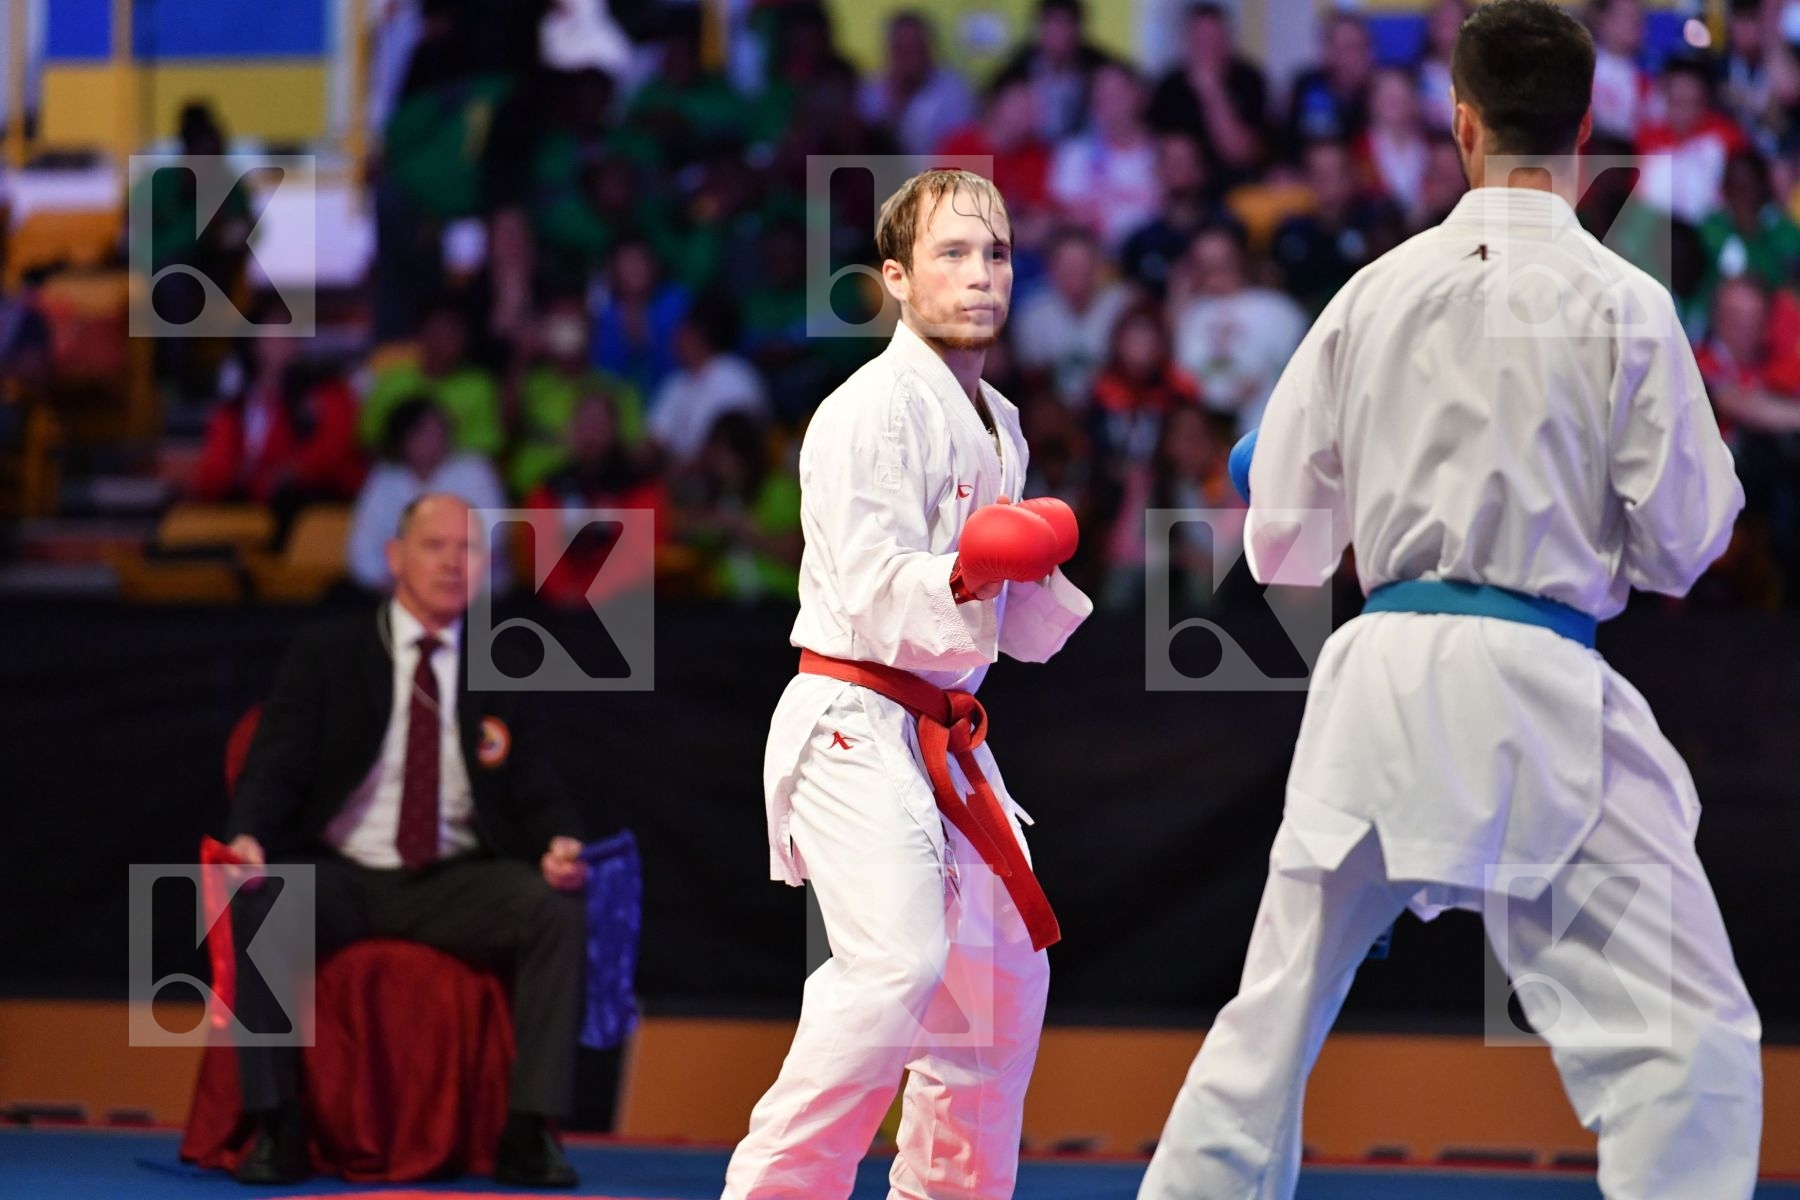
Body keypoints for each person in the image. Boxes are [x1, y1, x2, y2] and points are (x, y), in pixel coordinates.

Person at [1140, 4, 1763, 1196]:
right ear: (1586, 125)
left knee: (1264, 1035)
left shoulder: (1369, 295)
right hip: (1537, 686)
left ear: (1461, 122)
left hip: (1375, 688)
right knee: (1690, 1044)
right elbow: (1689, 547)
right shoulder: (1624, 303)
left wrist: (1277, 468)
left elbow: (1277, 548)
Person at [723, 168, 1092, 1199]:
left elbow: (1016, 637)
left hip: (942, 729)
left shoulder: (1001, 424)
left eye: (999, 254)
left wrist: (1037, 564)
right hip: (852, 712)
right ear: (894, 277)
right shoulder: (866, 413)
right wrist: (979, 565)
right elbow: (882, 594)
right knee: (896, 967)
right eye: (953, 254)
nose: (982, 275)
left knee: (1003, 979)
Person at [224, 493, 588, 1188]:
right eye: (435, 546)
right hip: (346, 873)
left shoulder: (504, 662)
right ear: (395, 558)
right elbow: (278, 761)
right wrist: (249, 836)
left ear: (487, 568)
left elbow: (537, 784)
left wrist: (561, 842)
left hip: (454, 881)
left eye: (470, 549)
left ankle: (528, 1131)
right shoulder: (329, 651)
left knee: (555, 906)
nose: (453, 562)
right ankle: (278, 1124)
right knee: (259, 903)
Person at [348, 398, 509, 593]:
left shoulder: (474, 470)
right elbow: (362, 547)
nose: (434, 439)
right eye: (424, 432)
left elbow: (492, 536)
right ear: (403, 438)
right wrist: (384, 578)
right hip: (397, 590)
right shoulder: (385, 479)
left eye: (439, 430)